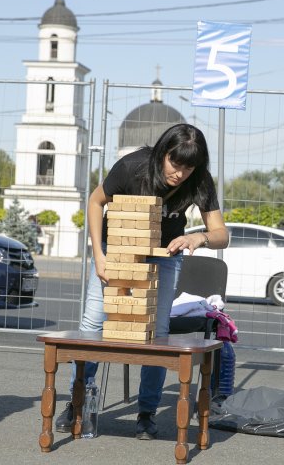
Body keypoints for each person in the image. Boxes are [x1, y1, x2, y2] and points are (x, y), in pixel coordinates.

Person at [56, 123, 229, 440]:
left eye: (188, 167)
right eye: (175, 164)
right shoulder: (132, 166)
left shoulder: (199, 180)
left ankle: (146, 415)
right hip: (115, 252)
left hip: (163, 258)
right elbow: (96, 202)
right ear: (163, 153)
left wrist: (200, 237)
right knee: (93, 325)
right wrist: (99, 255)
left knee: (156, 333)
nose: (180, 174)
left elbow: (222, 235)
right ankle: (76, 403)